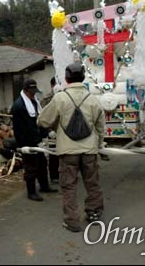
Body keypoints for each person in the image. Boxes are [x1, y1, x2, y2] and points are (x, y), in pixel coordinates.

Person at [38, 63, 105, 232]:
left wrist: (56, 127)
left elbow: (43, 120)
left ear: (66, 79)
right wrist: (98, 145)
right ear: (83, 78)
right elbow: (100, 127)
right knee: (92, 183)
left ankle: (72, 221)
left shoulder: (60, 98)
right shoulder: (92, 99)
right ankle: (94, 213)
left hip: (67, 150)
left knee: (69, 185)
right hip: (89, 150)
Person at [11, 79, 57, 202]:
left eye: (34, 91)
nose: (33, 94)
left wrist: (47, 132)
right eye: (31, 92)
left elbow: (40, 120)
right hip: (27, 141)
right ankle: (31, 191)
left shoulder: (35, 102)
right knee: (30, 167)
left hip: (38, 139)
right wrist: (28, 143)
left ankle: (44, 186)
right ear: (25, 90)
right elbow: (23, 128)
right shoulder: (19, 106)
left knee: (42, 163)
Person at [40, 77, 59, 184]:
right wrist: (48, 131)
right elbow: (43, 117)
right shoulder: (47, 99)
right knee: (53, 154)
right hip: (52, 130)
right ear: (52, 86)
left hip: (63, 130)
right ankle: (54, 176)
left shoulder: (64, 96)